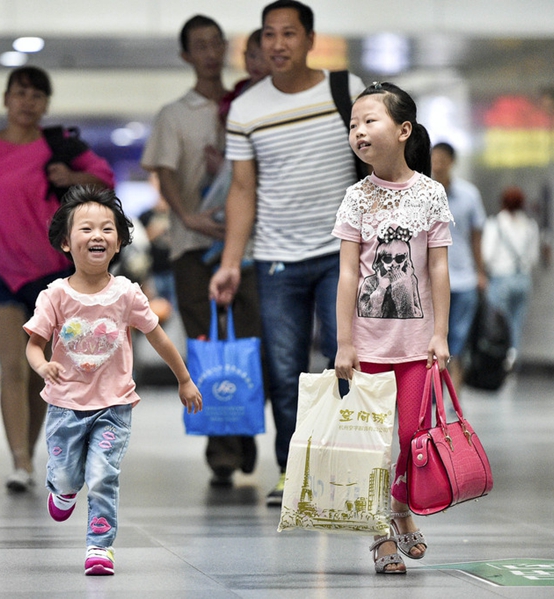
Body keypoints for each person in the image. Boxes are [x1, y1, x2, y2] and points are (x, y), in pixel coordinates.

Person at [209, 0, 365, 505]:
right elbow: (242, 190)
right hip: (276, 258)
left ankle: (347, 467)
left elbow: (377, 164)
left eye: (289, 33)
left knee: (347, 361)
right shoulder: (246, 108)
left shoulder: (346, 90)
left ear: (310, 39)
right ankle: (292, 469)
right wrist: (231, 262)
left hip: (342, 254)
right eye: (269, 34)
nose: (278, 44)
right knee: (284, 370)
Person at [23, 186, 202, 576]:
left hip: (114, 406)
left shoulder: (126, 294)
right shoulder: (54, 296)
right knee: (68, 475)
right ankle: (63, 490)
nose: (98, 235)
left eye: (107, 228)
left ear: (119, 242)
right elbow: (34, 345)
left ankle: (99, 547)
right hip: (65, 405)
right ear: (66, 242)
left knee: (103, 475)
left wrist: (185, 379)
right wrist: (43, 367)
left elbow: (159, 337)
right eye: (86, 228)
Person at [0, 66, 115, 492]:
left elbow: (105, 178)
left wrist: (72, 178)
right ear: (5, 99)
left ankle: (26, 456)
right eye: (20, 93)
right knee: (12, 366)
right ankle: (20, 461)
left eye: (36, 95)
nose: (27, 102)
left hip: (50, 275)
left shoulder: (58, 147)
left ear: (46, 103)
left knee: (38, 371)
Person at [332, 82, 452, 574]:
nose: (359, 131)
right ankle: (380, 531)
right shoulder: (356, 197)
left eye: (369, 121)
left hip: (416, 346)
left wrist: (440, 334)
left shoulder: (430, 194)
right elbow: (348, 274)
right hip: (367, 348)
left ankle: (400, 507)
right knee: (374, 443)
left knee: (409, 437)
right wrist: (344, 342)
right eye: (353, 124)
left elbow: (438, 268)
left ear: (403, 131)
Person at [141, 14, 262, 489]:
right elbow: (164, 170)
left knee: (250, 342)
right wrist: (187, 216)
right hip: (192, 249)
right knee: (206, 345)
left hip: (247, 246)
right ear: (186, 55)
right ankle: (223, 448)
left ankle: (243, 430)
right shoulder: (175, 113)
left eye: (217, 43)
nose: (211, 53)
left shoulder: (248, 103)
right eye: (200, 46)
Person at [430, 142, 487, 384]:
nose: (438, 164)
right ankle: (434, 394)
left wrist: (480, 272)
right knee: (433, 338)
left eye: (443, 159)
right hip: (432, 280)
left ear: (452, 162)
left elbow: (476, 237)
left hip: (463, 279)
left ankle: (454, 394)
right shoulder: (423, 194)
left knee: (458, 340)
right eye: (435, 159)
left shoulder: (469, 195)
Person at [481, 186, 539, 366]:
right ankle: (512, 359)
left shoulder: (495, 223)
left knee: (498, 323)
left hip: (501, 279)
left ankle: (498, 361)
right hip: (523, 279)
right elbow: (534, 258)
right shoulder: (530, 225)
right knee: (516, 323)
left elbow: (487, 255)